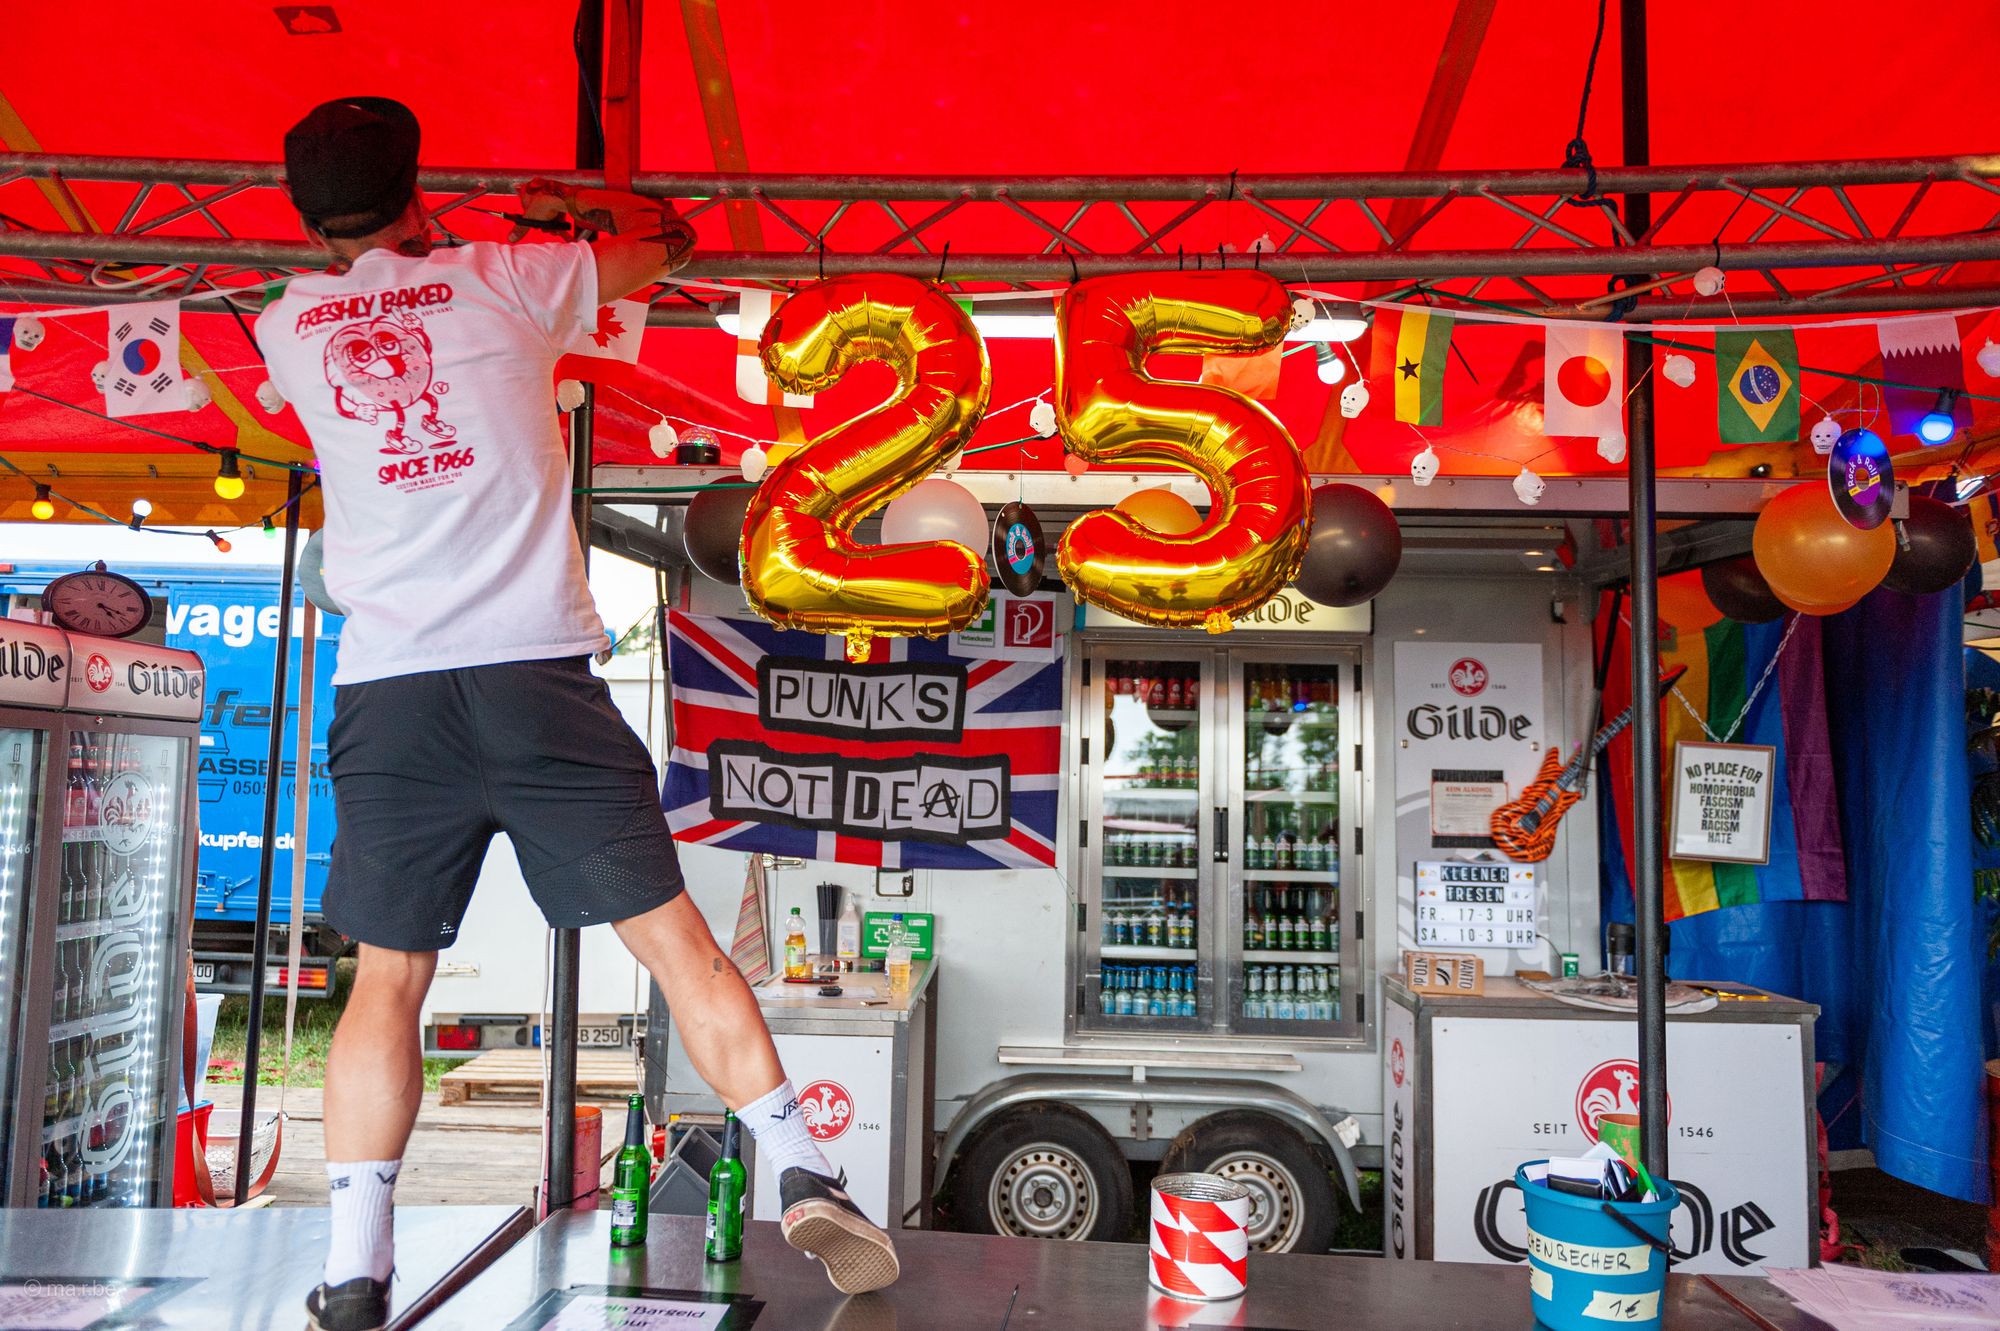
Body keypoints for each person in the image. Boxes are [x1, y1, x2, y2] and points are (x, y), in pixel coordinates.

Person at [260, 97, 899, 1331]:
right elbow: (666, 246)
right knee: (678, 947)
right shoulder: (504, 278)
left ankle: (352, 1270)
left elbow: (384, 288)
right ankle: (801, 1166)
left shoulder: (287, 325)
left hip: (389, 691)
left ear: (305, 216)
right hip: (535, 679)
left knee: (386, 978)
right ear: (417, 185)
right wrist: (568, 217)